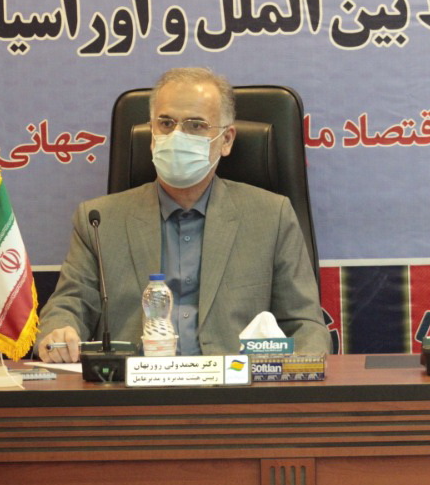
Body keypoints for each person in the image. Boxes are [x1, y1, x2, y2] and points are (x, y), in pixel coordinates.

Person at [37, 67, 329, 362]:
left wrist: (295, 372)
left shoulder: (271, 216)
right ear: (152, 134)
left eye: (196, 125)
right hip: (132, 385)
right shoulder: (99, 220)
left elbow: (305, 325)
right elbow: (68, 305)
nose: (177, 136)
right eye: (166, 123)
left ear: (226, 140)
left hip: (234, 384)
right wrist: (59, 332)